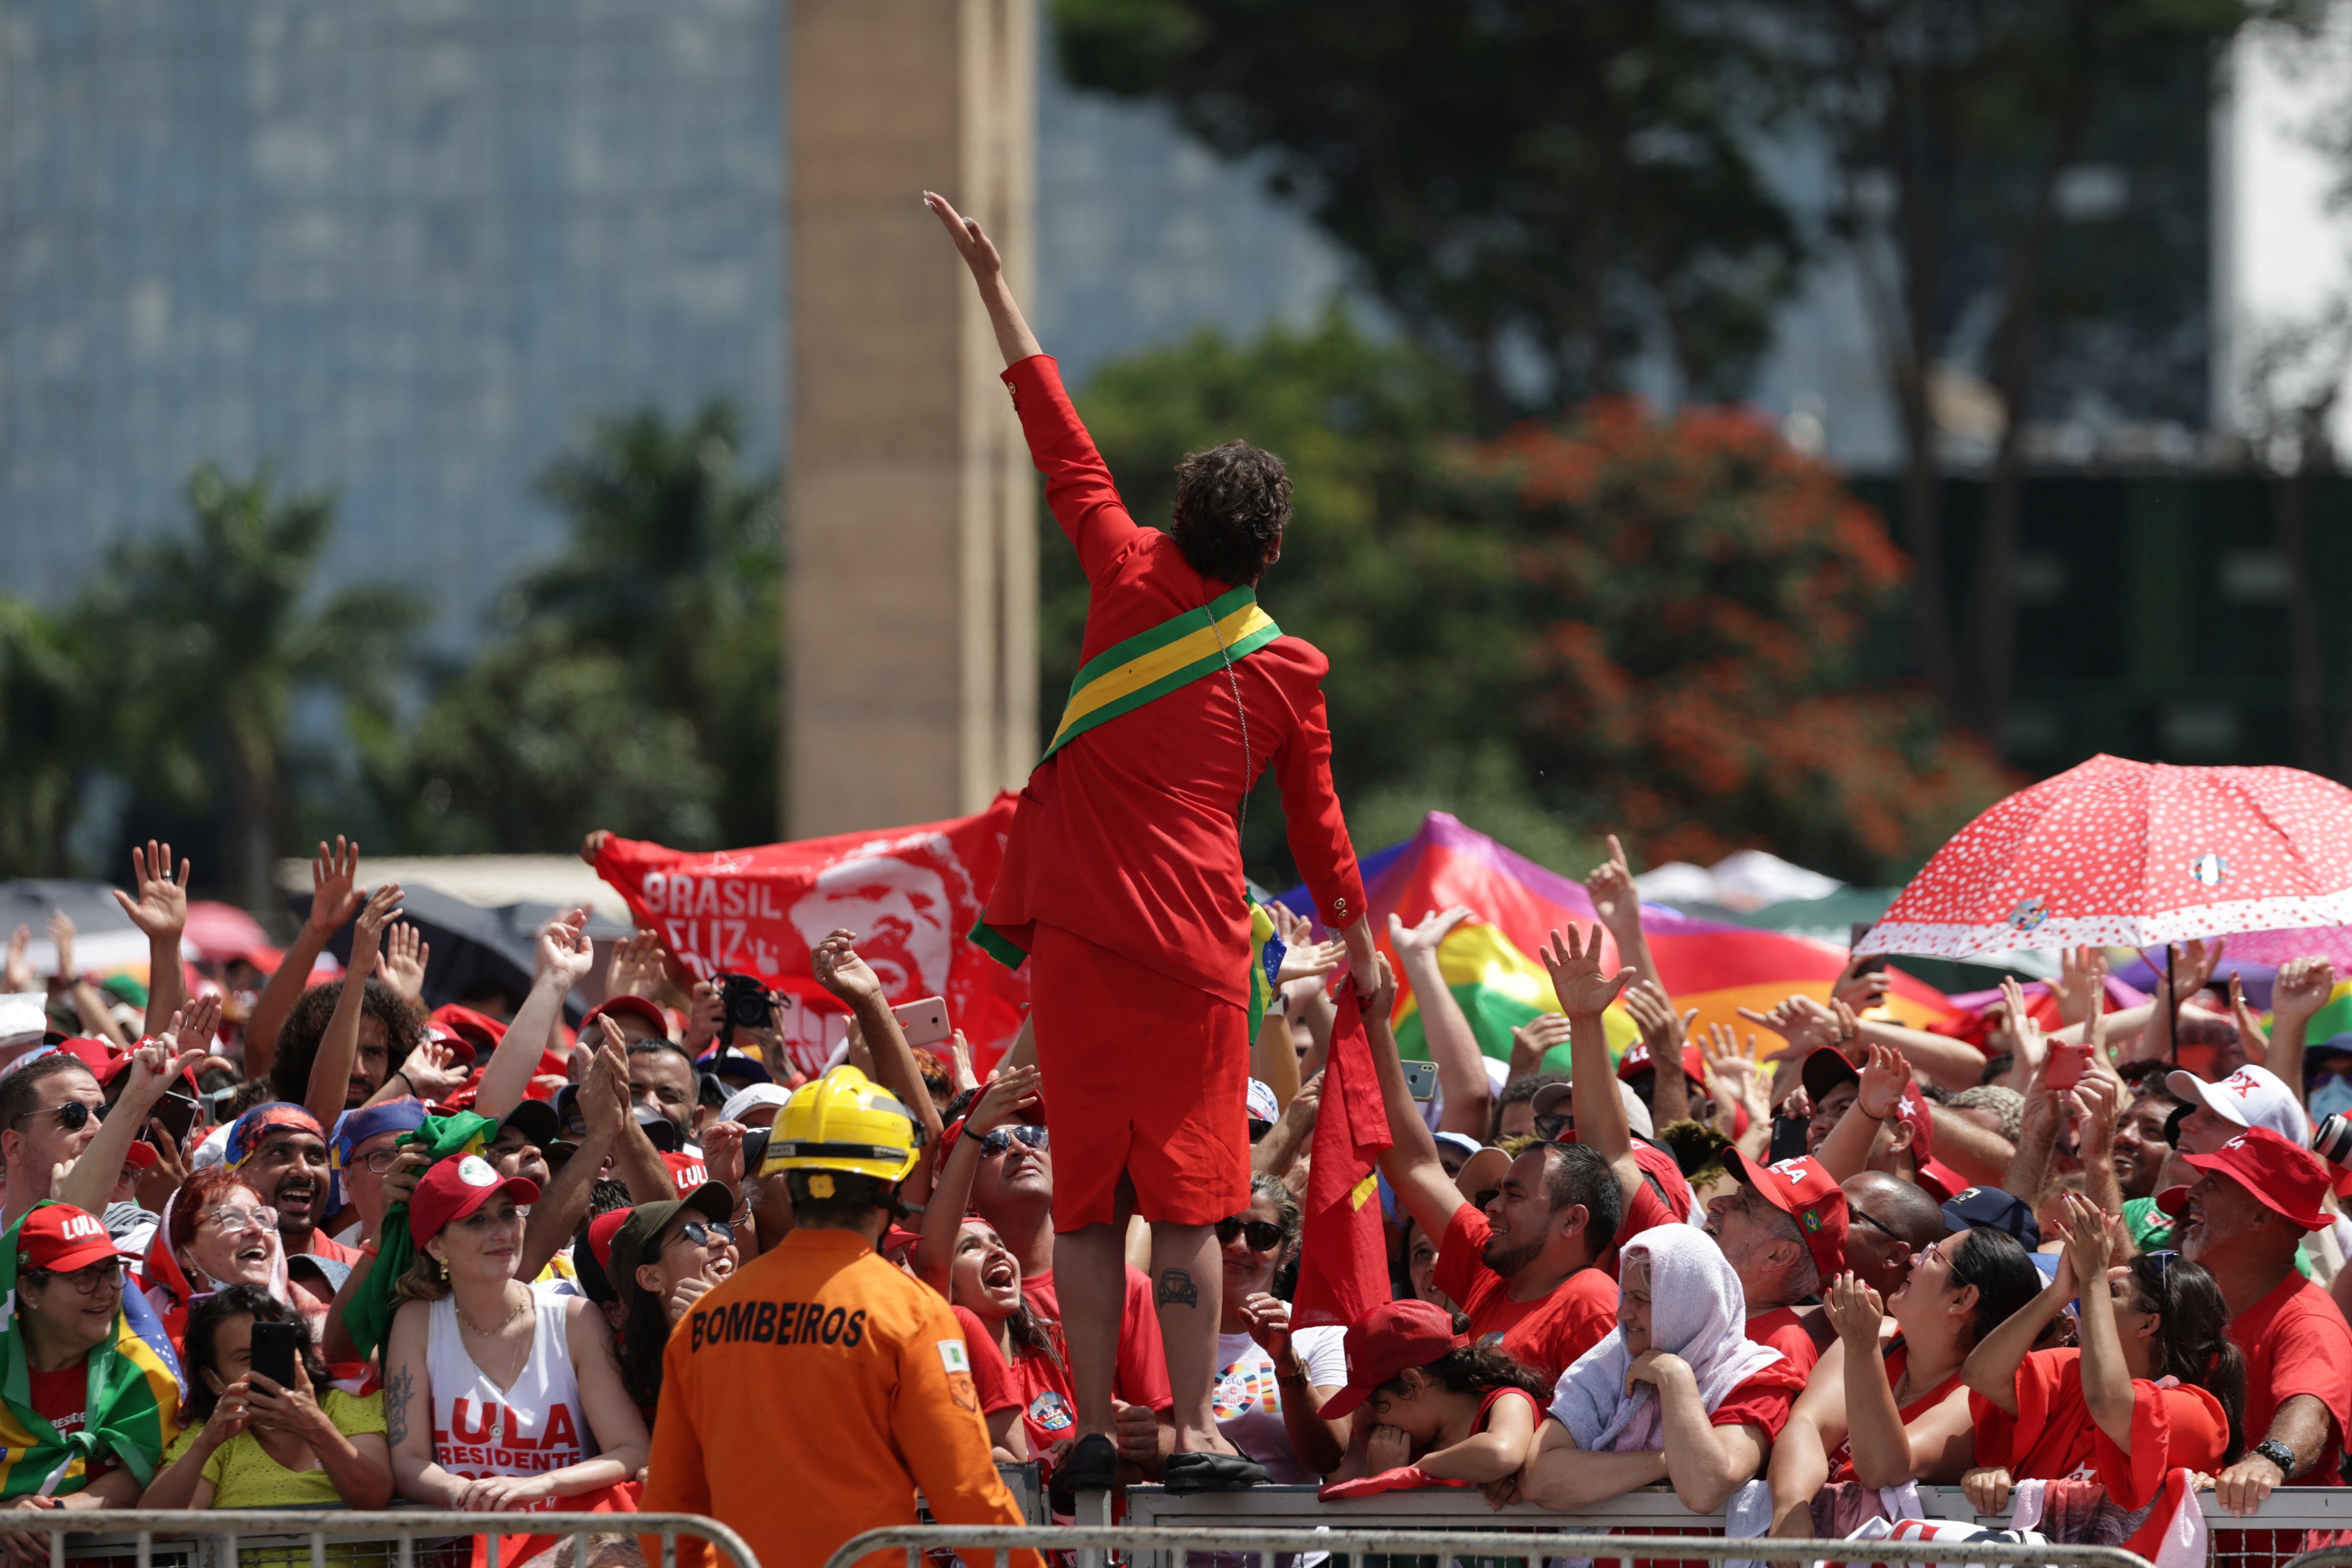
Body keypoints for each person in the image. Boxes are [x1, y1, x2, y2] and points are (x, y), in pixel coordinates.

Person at [930, 189, 1379, 1495]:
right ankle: (1186, 1426)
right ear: (1273, 548)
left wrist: (994, 285)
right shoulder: (1289, 667)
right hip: (1193, 948)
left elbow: (1056, 439)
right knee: (1189, 1207)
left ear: (1182, 519)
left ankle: (1077, 1415)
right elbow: (1322, 828)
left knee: (1084, 1203)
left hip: (1074, 936)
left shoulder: (1124, 571)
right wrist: (1357, 938)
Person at [641, 1066, 1040, 1568]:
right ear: (893, 1185)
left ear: (788, 1183)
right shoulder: (914, 1314)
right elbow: (968, 1495)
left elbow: (669, 1513)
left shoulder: (703, 1321)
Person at [1359, 957, 1620, 1383]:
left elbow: (1603, 1443)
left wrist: (1587, 1022)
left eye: (1515, 1196)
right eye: (1499, 1193)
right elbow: (1415, 1165)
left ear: (1573, 1219)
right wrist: (1376, 1025)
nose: (1492, 1207)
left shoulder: (1592, 1304)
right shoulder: (1489, 1267)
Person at [1959, 1195, 2242, 1542]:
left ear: (2147, 1325)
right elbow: (1980, 1375)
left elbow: (2109, 1404)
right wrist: (2059, 1293)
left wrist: (2093, 1276)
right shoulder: (2072, 1371)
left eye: (2113, 1292)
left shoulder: (2197, 1412)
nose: (2092, 1299)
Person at [382, 1155, 648, 1510]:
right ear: (436, 1246)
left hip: (561, 1553)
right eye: (477, 1220)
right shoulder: (417, 1322)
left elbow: (631, 1450)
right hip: (461, 1552)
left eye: (508, 1213)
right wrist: (473, 1497)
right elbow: (408, 1461)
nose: (502, 1232)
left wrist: (539, 1486)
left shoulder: (574, 1319)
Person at [1766, 1226, 2042, 1540]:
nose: (1914, 1258)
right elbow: (1808, 1425)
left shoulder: (1976, 1393)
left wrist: (1861, 1348)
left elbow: (1882, 1469)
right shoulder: (1881, 1337)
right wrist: (1791, 1508)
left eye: (1933, 1256)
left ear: (1962, 1298)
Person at [1512, 1225, 1803, 1515]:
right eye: (1624, 1295)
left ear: (1687, 1306)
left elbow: (1706, 1489)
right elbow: (1540, 1479)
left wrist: (1674, 1377)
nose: (1623, 1313)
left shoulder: (1755, 1376)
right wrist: (1668, 1461)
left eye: (1642, 1299)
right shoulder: (1608, 1361)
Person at [2163, 1126, 2352, 1513]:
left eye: (2213, 1185)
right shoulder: (2194, 1302)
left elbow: (2311, 1410)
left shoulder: (2309, 1320)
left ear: (2261, 1216)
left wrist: (2272, 1459)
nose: (2192, 1194)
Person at [0, 1202, 184, 1535]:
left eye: (112, 1271)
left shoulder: (143, 1373)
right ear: (29, 1291)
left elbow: (146, 1479)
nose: (106, 1292)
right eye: (83, 1276)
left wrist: (47, 1518)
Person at [141, 1285, 391, 1509]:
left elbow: (375, 1498)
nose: (266, 1366)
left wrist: (314, 1426)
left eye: (276, 1349)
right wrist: (205, 1445)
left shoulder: (347, 1404)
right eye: (246, 1359)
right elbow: (157, 1527)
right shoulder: (212, 1433)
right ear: (212, 1380)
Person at [1317, 1299, 1548, 1493]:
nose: (1374, 1419)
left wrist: (1408, 1473)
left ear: (1413, 1385)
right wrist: (1385, 1477)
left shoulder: (1507, 1401)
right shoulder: (1406, 1447)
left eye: (1375, 1404)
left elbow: (1502, 1454)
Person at [1209, 1175, 1348, 1483]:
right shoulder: (1160, 1325)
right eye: (1225, 1227)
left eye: (1262, 1235)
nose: (1239, 1245)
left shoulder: (1322, 1332)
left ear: (1289, 1251)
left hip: (1289, 1528)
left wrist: (1287, 1363)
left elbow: (1328, 1456)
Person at [221, 1103, 359, 1343]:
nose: (304, 1171)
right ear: (237, 1174)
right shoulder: (210, 1269)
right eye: (280, 1154)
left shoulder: (359, 1273)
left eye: (316, 1156)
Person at [944, 1214, 1071, 1464]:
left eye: (999, 1243)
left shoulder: (1058, 1348)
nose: (996, 1252)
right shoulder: (940, 1382)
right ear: (946, 1287)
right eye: (969, 1248)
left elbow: (1113, 1445)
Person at [1704, 1152, 1847, 1373]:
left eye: (1746, 1205)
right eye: (1736, 1193)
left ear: (1778, 1256)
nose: (1715, 1203)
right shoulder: (1699, 1302)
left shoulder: (1779, 1351)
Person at [609, 1184, 739, 1421]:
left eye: (718, 1228)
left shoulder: (773, 1324)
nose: (722, 1239)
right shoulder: (624, 1381)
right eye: (693, 1233)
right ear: (652, 1278)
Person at [138, 1167, 285, 1346]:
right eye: (231, 1218)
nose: (257, 1228)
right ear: (186, 1255)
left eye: (262, 1217)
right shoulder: (146, 1336)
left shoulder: (315, 1322)